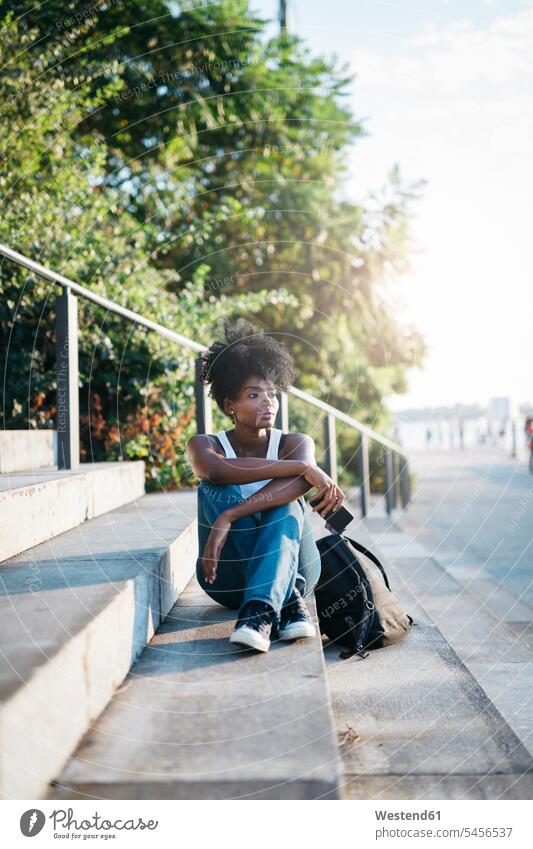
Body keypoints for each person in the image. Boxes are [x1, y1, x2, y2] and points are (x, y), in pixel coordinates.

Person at [185, 319, 346, 653]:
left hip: (300, 570)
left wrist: (230, 515)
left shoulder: (295, 442)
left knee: (287, 502)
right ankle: (287, 603)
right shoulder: (204, 445)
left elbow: (298, 484)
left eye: (271, 393)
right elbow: (215, 470)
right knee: (215, 489)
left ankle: (260, 612)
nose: (267, 402)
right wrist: (303, 467)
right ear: (230, 405)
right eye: (253, 395)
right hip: (227, 581)